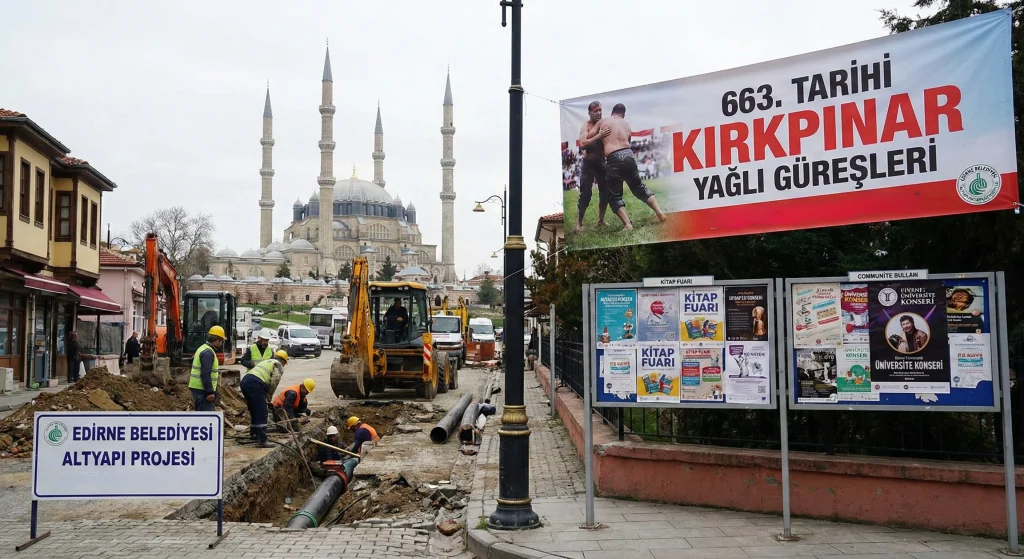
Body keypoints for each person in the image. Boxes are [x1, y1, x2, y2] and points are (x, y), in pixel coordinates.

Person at [587, 103, 668, 230]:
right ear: (622, 114)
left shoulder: (604, 121)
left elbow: (589, 136)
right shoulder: (626, 124)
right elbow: (628, 141)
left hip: (614, 157)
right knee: (639, 187)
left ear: (612, 112)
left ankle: (627, 224)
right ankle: (659, 213)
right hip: (629, 155)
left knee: (613, 195)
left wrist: (600, 135)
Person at [240, 349, 288, 448]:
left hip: (245, 381)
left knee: (254, 409)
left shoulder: (266, 361)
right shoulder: (278, 365)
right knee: (262, 412)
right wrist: (269, 395)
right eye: (284, 363)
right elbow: (275, 380)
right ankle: (262, 440)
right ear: (283, 361)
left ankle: (254, 433)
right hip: (256, 384)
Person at [576, 101, 610, 232]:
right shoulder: (586, 126)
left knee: (605, 192)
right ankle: (579, 223)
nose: (599, 113)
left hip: (601, 163)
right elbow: (583, 144)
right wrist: (599, 136)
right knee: (585, 194)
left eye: (600, 110)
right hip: (588, 163)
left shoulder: (605, 124)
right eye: (596, 111)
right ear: (589, 113)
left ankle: (600, 220)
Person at [189, 326, 226, 412]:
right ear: (217, 340)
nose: (221, 344)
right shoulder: (208, 353)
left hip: (200, 389)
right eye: (221, 341)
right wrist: (209, 392)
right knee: (205, 418)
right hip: (202, 391)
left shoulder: (204, 348)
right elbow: (205, 373)